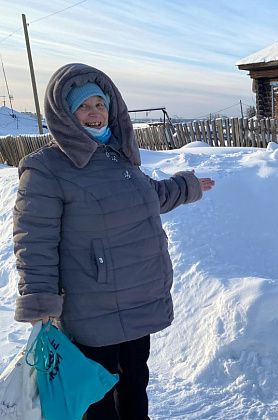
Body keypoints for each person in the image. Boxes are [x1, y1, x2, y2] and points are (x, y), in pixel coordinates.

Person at [13, 63, 214, 419]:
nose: (94, 114)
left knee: (135, 382)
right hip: (92, 311)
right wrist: (40, 304)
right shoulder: (46, 168)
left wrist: (188, 187)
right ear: (64, 113)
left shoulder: (118, 157)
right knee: (97, 397)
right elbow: (35, 240)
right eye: (83, 106)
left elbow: (152, 195)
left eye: (100, 104)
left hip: (139, 300)